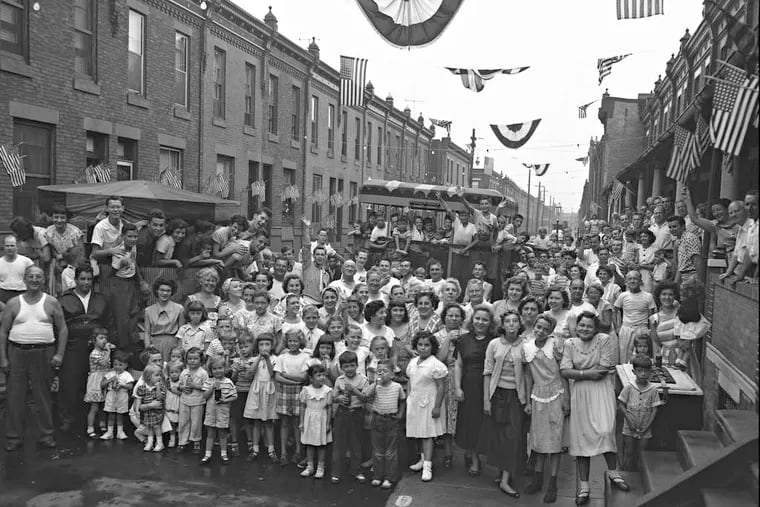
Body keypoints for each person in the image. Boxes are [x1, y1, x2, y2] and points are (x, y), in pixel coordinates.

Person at [561, 312, 629, 505]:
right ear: (577, 327)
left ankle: (613, 474)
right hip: (580, 393)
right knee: (582, 438)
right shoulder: (569, 344)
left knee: (606, 431)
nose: (585, 329)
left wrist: (579, 373)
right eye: (582, 325)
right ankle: (584, 486)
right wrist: (585, 373)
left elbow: (603, 370)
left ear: (595, 328)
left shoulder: (604, 340)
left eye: (589, 326)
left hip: (602, 391)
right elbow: (564, 371)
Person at [0, 265, 68, 450]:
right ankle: (14, 438)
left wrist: (59, 354)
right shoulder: (14, 303)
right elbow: (3, 332)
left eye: (38, 276)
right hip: (17, 353)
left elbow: (62, 329)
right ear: (25, 279)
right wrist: (3, 358)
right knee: (14, 397)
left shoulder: (51, 302)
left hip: (44, 353)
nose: (34, 280)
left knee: (43, 396)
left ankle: (46, 436)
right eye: (31, 276)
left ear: (43, 280)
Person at [57, 263, 111, 432]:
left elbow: (108, 322)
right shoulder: (64, 298)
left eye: (89, 279)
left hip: (96, 347)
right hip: (73, 346)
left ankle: (93, 420)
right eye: (82, 279)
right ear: (75, 279)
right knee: (71, 382)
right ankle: (68, 418)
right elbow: (58, 326)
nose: (86, 282)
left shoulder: (100, 298)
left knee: (95, 383)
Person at [480, 310, 526, 498]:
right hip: (497, 394)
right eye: (508, 321)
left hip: (516, 395)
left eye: (515, 321)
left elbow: (529, 372)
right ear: (503, 325)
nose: (512, 324)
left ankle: (506, 479)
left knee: (512, 436)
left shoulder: (525, 344)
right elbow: (487, 372)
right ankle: (501, 472)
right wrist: (486, 400)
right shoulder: (494, 344)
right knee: (498, 435)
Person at [522, 314, 568, 503]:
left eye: (545, 329)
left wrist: (567, 399)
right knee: (538, 440)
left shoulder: (555, 345)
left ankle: (553, 483)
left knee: (555, 443)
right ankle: (538, 479)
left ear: (550, 332)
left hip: (556, 394)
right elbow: (528, 376)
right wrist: (526, 401)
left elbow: (563, 372)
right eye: (538, 327)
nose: (540, 331)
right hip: (537, 396)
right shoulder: (527, 347)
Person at [455, 306, 496, 476]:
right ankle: (473, 457)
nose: (480, 322)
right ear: (472, 320)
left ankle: (476, 455)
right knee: (469, 422)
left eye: (485, 319)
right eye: (477, 318)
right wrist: (457, 387)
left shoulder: (495, 340)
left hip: (487, 385)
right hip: (468, 384)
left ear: (490, 322)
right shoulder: (464, 339)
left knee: (483, 422)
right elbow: (458, 364)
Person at [406, 331, 448, 482]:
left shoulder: (436, 365)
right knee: (418, 432)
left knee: (428, 434)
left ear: (432, 347)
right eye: (420, 345)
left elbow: (441, 386)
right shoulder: (413, 362)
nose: (423, 348)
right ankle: (422, 460)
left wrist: (437, 406)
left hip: (429, 402)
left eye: (427, 345)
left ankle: (428, 466)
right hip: (415, 402)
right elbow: (410, 381)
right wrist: (409, 398)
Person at [618, 355, 665, 471]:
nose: (643, 374)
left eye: (646, 371)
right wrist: (629, 421)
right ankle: (625, 474)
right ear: (634, 372)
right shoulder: (629, 388)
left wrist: (647, 426)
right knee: (628, 452)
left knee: (642, 453)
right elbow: (621, 405)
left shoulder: (653, 390)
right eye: (640, 371)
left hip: (645, 428)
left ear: (650, 372)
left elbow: (655, 410)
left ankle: (639, 477)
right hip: (629, 428)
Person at [330, 350, 371, 484]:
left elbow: (365, 398)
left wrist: (354, 390)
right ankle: (336, 472)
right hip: (342, 413)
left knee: (356, 443)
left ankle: (356, 470)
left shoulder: (363, 380)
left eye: (352, 365)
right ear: (341, 368)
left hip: (356, 414)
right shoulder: (339, 380)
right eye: (346, 366)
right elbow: (334, 398)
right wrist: (339, 398)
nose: (349, 369)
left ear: (357, 365)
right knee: (339, 444)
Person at [368, 358, 406, 489]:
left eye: (385, 371)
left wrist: (401, 414)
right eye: (379, 371)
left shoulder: (397, 387)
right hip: (377, 419)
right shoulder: (376, 387)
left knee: (390, 451)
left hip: (391, 420)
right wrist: (374, 383)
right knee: (378, 450)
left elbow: (402, 400)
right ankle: (378, 476)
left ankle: (390, 477)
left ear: (392, 374)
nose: (381, 373)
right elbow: (367, 395)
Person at [274, 329, 310, 466]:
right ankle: (283, 452)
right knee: (284, 423)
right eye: (290, 341)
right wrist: (295, 382)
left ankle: (298, 451)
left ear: (300, 341)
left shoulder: (305, 357)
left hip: (299, 393)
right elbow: (277, 377)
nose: (293, 343)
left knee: (296, 423)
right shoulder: (282, 357)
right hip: (284, 392)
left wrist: (287, 375)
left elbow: (303, 377)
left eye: (295, 341)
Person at [244, 333, 279, 462]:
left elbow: (272, 373)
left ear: (272, 346)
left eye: (267, 344)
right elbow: (250, 373)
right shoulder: (254, 359)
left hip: (269, 391)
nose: (264, 347)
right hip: (256, 391)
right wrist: (259, 358)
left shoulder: (275, 359)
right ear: (257, 346)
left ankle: (271, 449)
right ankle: (255, 449)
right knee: (256, 421)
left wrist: (267, 359)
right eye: (261, 344)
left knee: (268, 422)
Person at [298, 363, 334, 479]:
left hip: (322, 419)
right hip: (309, 419)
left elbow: (329, 407)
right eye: (319, 375)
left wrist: (328, 423)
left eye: (323, 375)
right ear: (311, 378)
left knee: (321, 445)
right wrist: (302, 422)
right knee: (309, 444)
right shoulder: (306, 390)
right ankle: (310, 466)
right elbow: (302, 406)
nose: (322, 377)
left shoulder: (327, 390)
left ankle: (320, 467)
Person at [199, 357, 237, 464]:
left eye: (220, 368)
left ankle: (224, 454)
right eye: (215, 369)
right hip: (211, 412)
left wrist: (225, 399)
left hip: (223, 412)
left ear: (225, 369)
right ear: (211, 371)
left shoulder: (228, 382)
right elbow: (205, 396)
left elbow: (234, 396)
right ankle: (207, 454)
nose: (218, 371)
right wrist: (212, 387)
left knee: (222, 434)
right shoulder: (209, 381)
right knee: (210, 433)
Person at [614, 271, 656, 364]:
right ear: (626, 282)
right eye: (630, 279)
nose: (632, 281)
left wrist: (650, 330)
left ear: (640, 281)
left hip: (642, 329)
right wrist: (617, 326)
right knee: (624, 358)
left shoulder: (648, 296)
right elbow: (615, 311)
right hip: (626, 329)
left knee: (642, 358)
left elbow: (652, 316)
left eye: (635, 279)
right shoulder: (623, 296)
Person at [143, 277, 185, 360]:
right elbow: (147, 332)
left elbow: (182, 331)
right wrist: (148, 347)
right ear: (157, 291)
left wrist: (180, 348)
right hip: (155, 344)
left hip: (173, 344)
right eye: (162, 290)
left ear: (172, 292)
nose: (165, 293)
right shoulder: (148, 310)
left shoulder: (179, 308)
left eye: (168, 290)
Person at [84, 328, 114, 438]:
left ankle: (102, 424)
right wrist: (109, 351)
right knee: (94, 406)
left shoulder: (104, 352)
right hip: (96, 380)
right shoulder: (94, 353)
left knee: (104, 405)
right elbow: (103, 363)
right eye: (101, 338)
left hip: (105, 377)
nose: (104, 341)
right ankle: (90, 427)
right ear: (94, 340)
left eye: (105, 338)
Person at [178, 347, 209, 454]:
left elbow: (206, 387)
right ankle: (182, 441)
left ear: (201, 360)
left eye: (195, 358)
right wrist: (183, 388)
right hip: (184, 400)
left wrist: (195, 385)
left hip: (197, 401)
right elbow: (180, 384)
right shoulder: (184, 372)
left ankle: (196, 440)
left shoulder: (203, 373)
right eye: (190, 358)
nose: (192, 361)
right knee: (183, 421)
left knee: (196, 422)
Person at [100, 349, 134, 440]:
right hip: (111, 395)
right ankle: (109, 432)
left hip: (122, 396)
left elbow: (130, 386)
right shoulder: (110, 374)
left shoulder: (127, 375)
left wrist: (122, 385)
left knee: (120, 414)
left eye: (120, 365)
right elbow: (102, 384)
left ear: (126, 365)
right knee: (111, 414)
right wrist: (110, 380)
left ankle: (120, 431)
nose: (117, 367)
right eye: (115, 364)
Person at [133, 363, 165, 452]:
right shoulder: (142, 388)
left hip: (156, 412)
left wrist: (158, 388)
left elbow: (159, 397)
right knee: (149, 427)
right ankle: (150, 442)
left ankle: (159, 443)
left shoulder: (160, 387)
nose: (159, 377)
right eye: (156, 375)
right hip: (147, 412)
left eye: (160, 375)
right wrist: (137, 410)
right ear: (148, 377)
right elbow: (139, 400)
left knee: (156, 426)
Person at [668, 216, 703, 286]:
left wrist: (699, 282)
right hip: (683, 276)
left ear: (683, 226)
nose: (672, 229)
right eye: (670, 227)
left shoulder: (689, 238)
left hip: (692, 276)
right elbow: (681, 266)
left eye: (674, 226)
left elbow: (697, 262)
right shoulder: (679, 241)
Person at [0, 235, 35, 304]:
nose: (10, 248)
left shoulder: (27, 262)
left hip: (22, 293)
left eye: (12, 245)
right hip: (3, 294)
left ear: (17, 246)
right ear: (3, 247)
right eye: (7, 246)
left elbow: (33, 281)